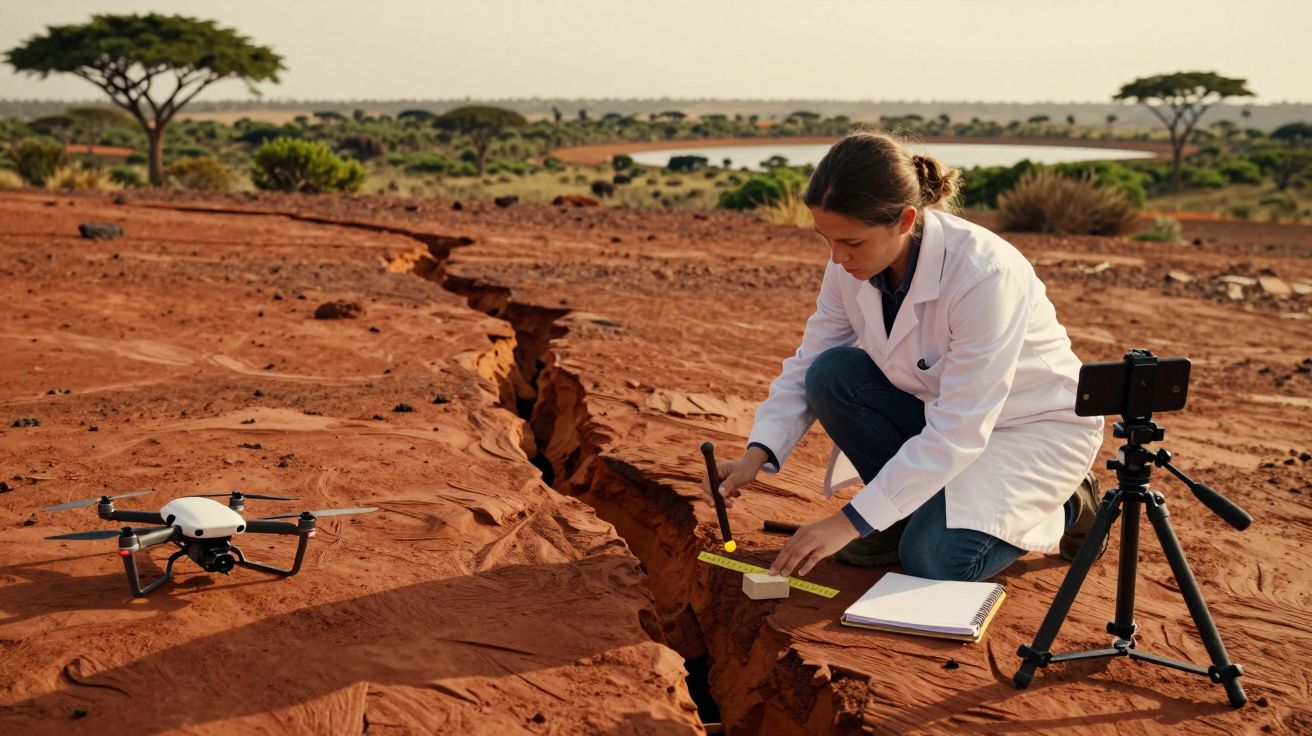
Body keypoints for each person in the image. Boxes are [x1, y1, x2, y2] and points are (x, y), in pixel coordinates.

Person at [700, 131, 1105, 583]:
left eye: (852, 242)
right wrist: (757, 453)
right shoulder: (849, 264)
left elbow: (962, 426)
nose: (837, 258)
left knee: (933, 561)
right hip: (944, 414)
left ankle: (1072, 499)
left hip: (1027, 428)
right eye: (826, 239)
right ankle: (897, 515)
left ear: (905, 219)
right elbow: (807, 361)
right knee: (831, 373)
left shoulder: (983, 274)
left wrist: (848, 521)